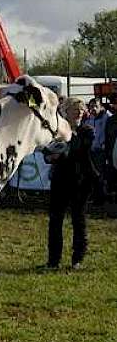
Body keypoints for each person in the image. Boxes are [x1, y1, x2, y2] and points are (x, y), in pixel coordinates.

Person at [44, 98, 97, 271]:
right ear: (66, 112)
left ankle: (77, 259)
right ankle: (53, 261)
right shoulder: (58, 131)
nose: (79, 112)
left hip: (80, 181)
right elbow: (47, 151)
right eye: (75, 109)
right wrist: (50, 156)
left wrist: (63, 151)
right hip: (60, 180)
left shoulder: (87, 130)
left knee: (78, 220)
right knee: (55, 221)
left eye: (81, 109)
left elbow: (79, 150)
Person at [84, 98, 110, 202]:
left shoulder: (106, 117)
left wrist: (104, 144)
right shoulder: (89, 119)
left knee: (100, 174)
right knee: (91, 174)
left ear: (101, 107)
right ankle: (94, 195)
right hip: (91, 150)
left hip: (101, 151)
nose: (93, 108)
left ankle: (100, 197)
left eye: (96, 106)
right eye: (91, 106)